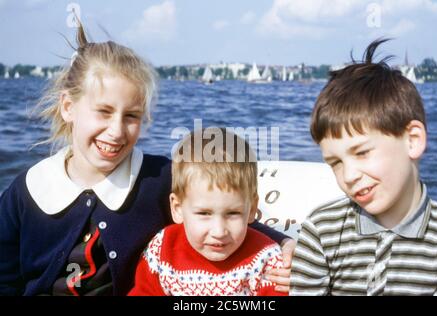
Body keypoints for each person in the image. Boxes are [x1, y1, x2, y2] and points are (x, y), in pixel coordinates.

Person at [0, 24, 289, 296]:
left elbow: (221, 207)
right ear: (68, 107)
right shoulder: (27, 192)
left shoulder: (157, 179)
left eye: (131, 116)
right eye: (103, 111)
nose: (116, 131)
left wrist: (285, 243)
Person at [290, 38, 437, 296]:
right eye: (336, 163)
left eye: (362, 153)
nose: (349, 176)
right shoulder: (321, 230)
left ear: (412, 140)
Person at [129, 128, 286, 296]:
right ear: (177, 208)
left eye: (233, 213)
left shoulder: (265, 260)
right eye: (204, 214)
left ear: (252, 210)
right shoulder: (162, 250)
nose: (219, 231)